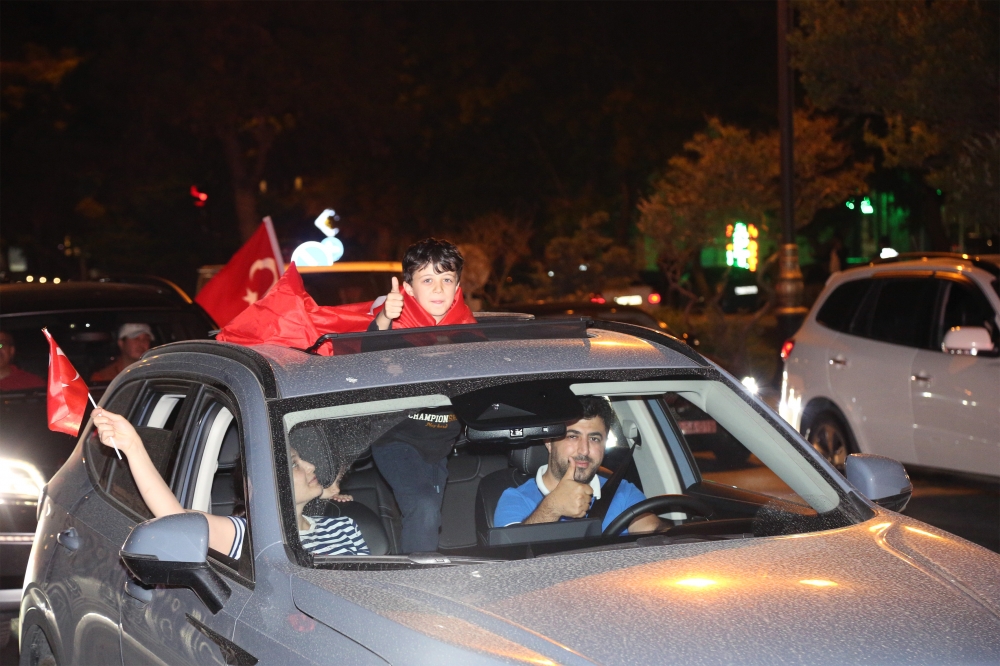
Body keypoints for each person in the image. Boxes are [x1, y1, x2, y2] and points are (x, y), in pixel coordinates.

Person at [92, 409, 369, 558]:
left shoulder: (344, 527)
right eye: (295, 463)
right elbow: (174, 518)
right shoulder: (249, 537)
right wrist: (133, 447)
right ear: (262, 484)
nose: (311, 466)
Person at [368, 239, 468, 552]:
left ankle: (415, 561)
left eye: (446, 280)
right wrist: (385, 317)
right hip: (396, 439)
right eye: (427, 280)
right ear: (409, 289)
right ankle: (421, 576)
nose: (438, 289)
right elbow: (368, 353)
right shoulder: (398, 329)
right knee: (424, 507)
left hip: (440, 444)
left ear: (457, 287)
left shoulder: (467, 333)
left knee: (429, 514)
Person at [493, 397, 668, 535]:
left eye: (594, 439)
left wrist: (663, 531)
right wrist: (553, 507)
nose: (584, 450)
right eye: (573, 436)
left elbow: (651, 529)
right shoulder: (515, 499)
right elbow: (513, 558)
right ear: (549, 442)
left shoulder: (623, 492)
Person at [91, 323, 155, 383]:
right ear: (121, 343)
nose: (141, 343)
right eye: (136, 338)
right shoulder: (103, 377)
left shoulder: (155, 373)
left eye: (146, 339)